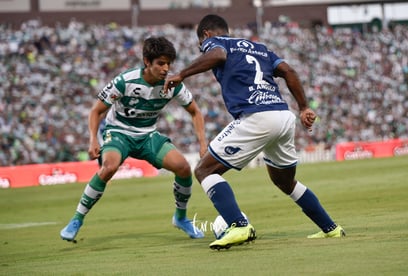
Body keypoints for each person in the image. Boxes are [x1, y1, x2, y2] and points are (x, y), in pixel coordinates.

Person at [165, 14, 345, 250]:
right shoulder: (260, 48)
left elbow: (218, 55)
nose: (204, 49)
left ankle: (238, 225)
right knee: (285, 181)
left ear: (207, 35)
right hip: (283, 116)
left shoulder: (217, 43)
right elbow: (289, 71)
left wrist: (182, 74)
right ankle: (331, 229)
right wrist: (303, 107)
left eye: (202, 45)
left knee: (204, 169)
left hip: (256, 116)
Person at [60, 36, 207, 242]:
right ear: (147, 62)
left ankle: (180, 218)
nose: (165, 69)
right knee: (109, 167)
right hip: (119, 132)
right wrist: (93, 139)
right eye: (160, 63)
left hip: (147, 135)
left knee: (183, 167)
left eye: (168, 64)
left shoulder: (172, 84)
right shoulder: (125, 81)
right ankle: (77, 219)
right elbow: (96, 111)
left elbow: (195, 112)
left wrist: (203, 143)